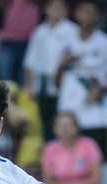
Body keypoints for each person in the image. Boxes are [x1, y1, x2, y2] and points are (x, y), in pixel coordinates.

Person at [55, 0, 107, 158]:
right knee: (66, 155)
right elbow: (57, 81)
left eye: (91, 13)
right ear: (76, 15)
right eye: (84, 12)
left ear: (98, 16)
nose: (87, 16)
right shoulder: (67, 43)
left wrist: (100, 91)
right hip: (70, 105)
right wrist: (62, 65)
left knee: (96, 155)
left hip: (94, 109)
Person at [22, 0, 79, 142]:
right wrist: (31, 85)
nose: (56, 10)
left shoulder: (73, 30)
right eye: (53, 7)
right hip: (43, 82)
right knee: (46, 120)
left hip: (64, 82)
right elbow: (31, 60)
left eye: (59, 7)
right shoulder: (40, 31)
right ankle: (49, 149)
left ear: (66, 10)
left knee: (63, 117)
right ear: (46, 10)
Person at [41, 112, 103, 184]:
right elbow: (47, 180)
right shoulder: (50, 149)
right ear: (54, 129)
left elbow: (98, 178)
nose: (64, 129)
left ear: (77, 127)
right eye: (60, 126)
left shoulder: (89, 145)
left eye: (68, 125)